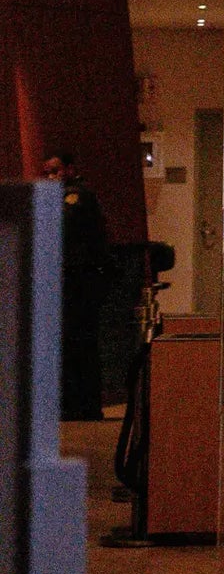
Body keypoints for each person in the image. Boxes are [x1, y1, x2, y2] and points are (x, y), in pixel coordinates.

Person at [41, 153, 113, 421]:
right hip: (72, 281)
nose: (51, 177)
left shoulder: (77, 196)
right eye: (47, 172)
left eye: (55, 171)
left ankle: (84, 404)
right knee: (72, 344)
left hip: (80, 282)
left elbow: (63, 225)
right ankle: (76, 403)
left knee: (79, 343)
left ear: (70, 169)